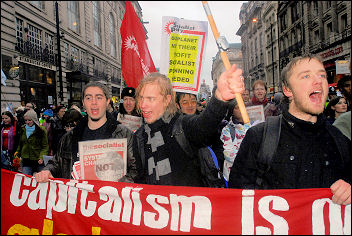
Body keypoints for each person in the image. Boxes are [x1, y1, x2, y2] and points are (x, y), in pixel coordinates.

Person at [228, 54, 351, 205]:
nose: (318, 81)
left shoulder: (338, 138)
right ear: (287, 90)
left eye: (322, 75)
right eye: (306, 76)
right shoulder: (260, 137)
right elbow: (237, 198)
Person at [133, 64, 244, 187]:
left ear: (167, 100)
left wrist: (220, 98)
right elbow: (140, 179)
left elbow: (203, 126)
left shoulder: (182, 126)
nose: (143, 105)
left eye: (150, 99)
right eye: (141, 98)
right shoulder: (139, 137)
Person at [34, 81, 137, 183]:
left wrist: (114, 187)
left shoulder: (125, 135)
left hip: (109, 198)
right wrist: (47, 170)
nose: (94, 102)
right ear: (83, 103)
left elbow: (135, 170)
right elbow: (56, 163)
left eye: (99, 97)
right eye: (88, 98)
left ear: (107, 102)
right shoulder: (69, 137)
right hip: (77, 197)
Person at [15, 109, 49, 176]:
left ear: (34, 120)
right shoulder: (22, 129)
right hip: (26, 160)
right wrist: (17, 154)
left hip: (38, 160)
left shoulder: (41, 130)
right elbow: (20, 144)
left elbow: (45, 146)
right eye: (26, 120)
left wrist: (41, 157)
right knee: (26, 180)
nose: (27, 122)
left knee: (42, 179)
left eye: (29, 120)